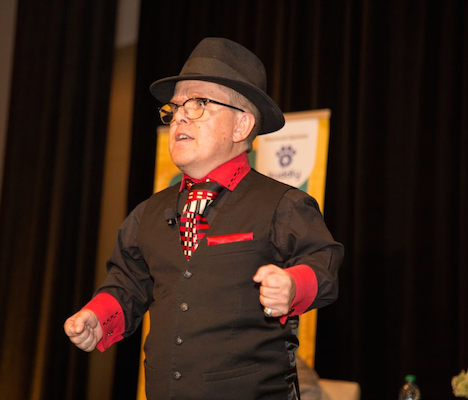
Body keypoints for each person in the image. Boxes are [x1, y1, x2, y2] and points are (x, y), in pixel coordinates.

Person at [64, 37, 343, 400]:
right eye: (175, 107)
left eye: (198, 104)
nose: (179, 115)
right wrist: (97, 318)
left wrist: (291, 285)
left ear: (242, 126)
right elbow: (129, 283)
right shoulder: (147, 213)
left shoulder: (283, 204)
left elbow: (323, 262)